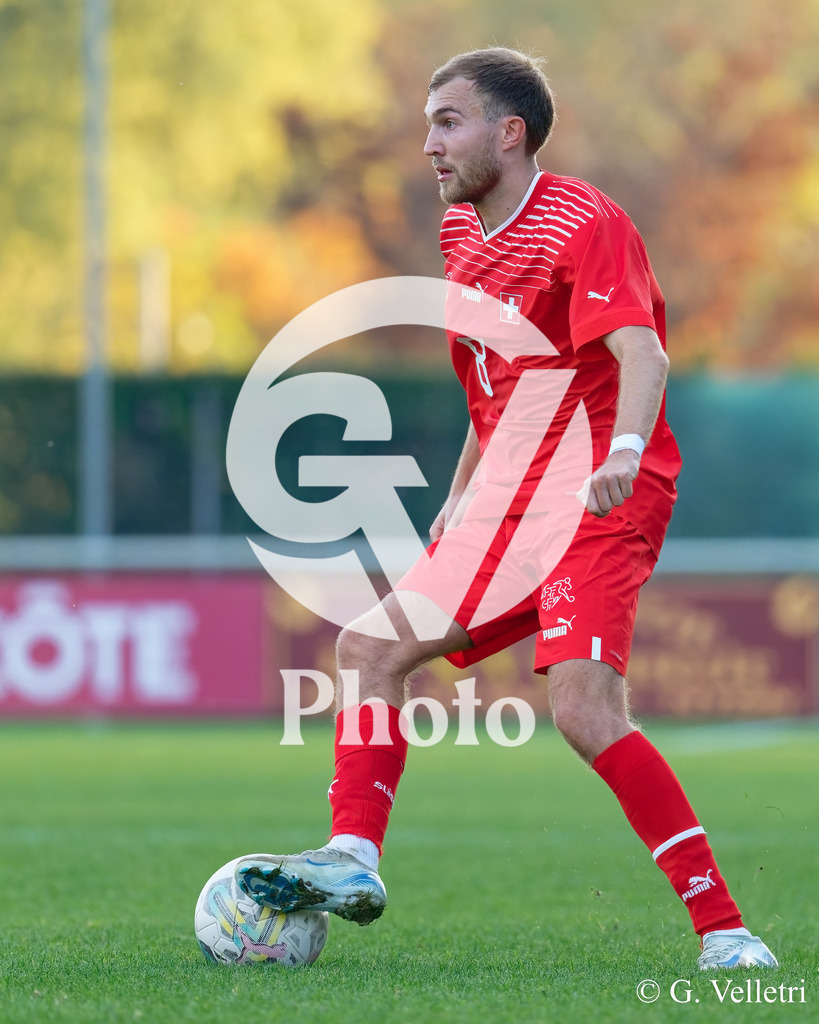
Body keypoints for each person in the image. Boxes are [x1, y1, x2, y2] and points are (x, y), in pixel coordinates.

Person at [237, 47, 777, 971]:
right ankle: (354, 858)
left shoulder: (583, 220)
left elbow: (642, 355)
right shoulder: (459, 235)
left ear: (508, 131)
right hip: (508, 498)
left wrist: (619, 453)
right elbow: (501, 387)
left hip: (597, 494)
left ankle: (726, 935)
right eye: (427, 124)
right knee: (367, 646)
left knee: (582, 707)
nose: (428, 144)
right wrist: (456, 503)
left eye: (447, 121)